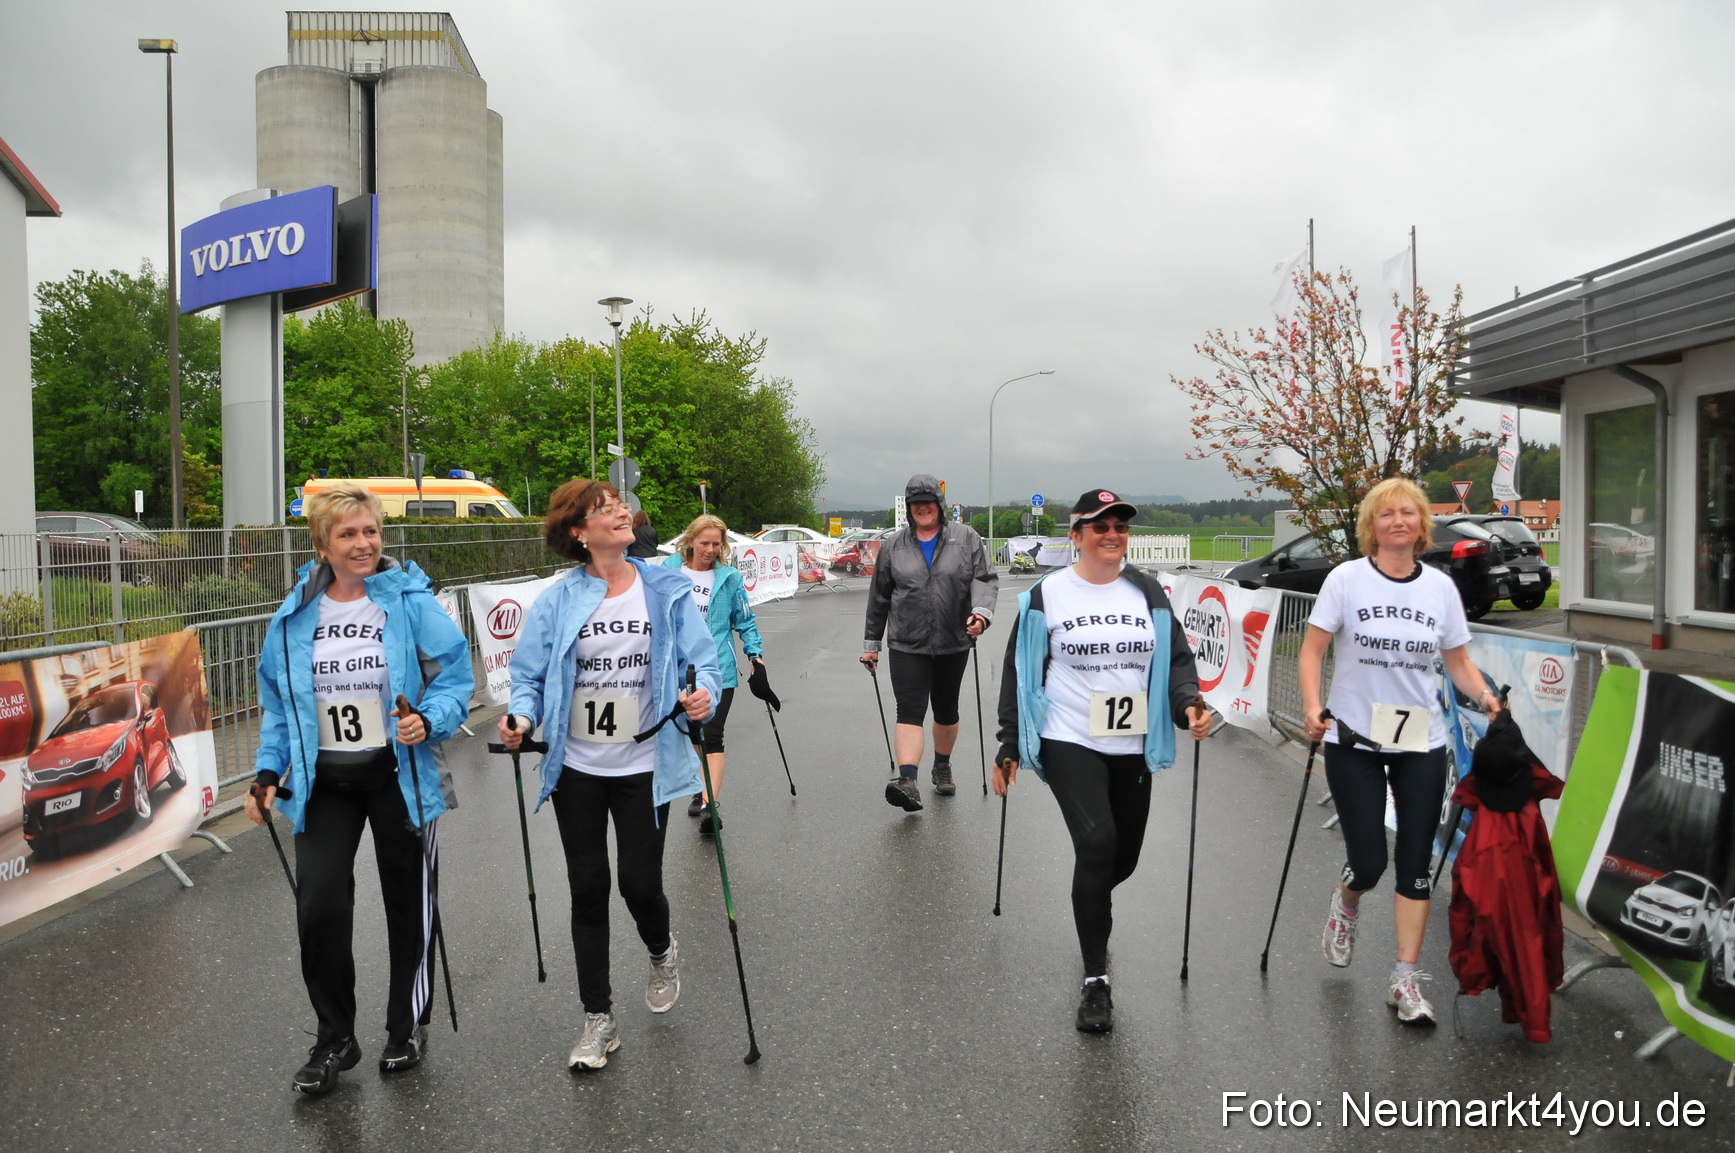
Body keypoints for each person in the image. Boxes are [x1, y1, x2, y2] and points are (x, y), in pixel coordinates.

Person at [246, 482, 474, 1096]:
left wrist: (429, 718)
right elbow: (278, 706)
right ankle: (334, 1037)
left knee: (408, 902)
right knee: (319, 904)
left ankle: (406, 1025)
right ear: (322, 544)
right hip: (325, 782)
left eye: (370, 531)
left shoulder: (407, 602)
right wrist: (268, 772)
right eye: (347, 533)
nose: (363, 542)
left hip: (397, 776)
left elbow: (455, 676)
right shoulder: (294, 615)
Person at [498, 478, 720, 1071]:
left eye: (620, 504)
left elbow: (705, 666)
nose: (621, 511)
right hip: (577, 766)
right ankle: (598, 1020)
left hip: (646, 763)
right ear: (579, 532)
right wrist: (519, 715)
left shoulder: (666, 589)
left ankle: (661, 949)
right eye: (604, 509)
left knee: (639, 885)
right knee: (588, 888)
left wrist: (701, 697)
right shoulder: (557, 600)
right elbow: (528, 674)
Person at [993, 488, 1210, 1034]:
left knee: (1123, 859)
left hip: (1132, 741)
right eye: (1099, 526)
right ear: (1076, 536)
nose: (1112, 535)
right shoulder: (1047, 596)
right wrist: (1009, 741)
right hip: (1069, 737)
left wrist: (1189, 706)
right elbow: (1020, 670)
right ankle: (1096, 981)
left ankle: (1089, 902)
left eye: (1120, 526)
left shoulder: (1148, 593)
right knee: (1097, 844)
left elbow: (1177, 660)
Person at [1299, 476, 1503, 1027]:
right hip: (1354, 741)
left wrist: (1484, 696)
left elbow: (1457, 661)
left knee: (1416, 864)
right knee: (1369, 862)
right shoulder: (1347, 579)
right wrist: (1314, 707)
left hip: (1421, 741)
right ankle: (1346, 903)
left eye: (1408, 513)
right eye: (1387, 514)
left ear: (1421, 524)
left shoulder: (1438, 588)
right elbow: (1313, 649)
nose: (1398, 522)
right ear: (1372, 525)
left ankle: (1404, 979)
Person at [862, 474, 997, 811]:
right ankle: (908, 781)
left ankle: (942, 765)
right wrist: (871, 644)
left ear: (940, 504)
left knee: (946, 709)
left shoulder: (966, 539)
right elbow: (879, 597)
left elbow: (984, 579)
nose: (922, 508)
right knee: (909, 710)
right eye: (915, 503)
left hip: (954, 639)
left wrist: (980, 614)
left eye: (928, 501)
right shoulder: (894, 545)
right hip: (907, 642)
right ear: (909, 508)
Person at [663, 514, 765, 838]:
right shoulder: (667, 572)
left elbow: (745, 620)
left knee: (711, 733)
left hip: (717, 668)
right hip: (675, 669)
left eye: (715, 543)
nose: (709, 549)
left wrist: (755, 654)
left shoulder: (729, 578)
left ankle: (710, 804)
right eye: (704, 542)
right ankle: (700, 784)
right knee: (692, 735)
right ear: (690, 540)